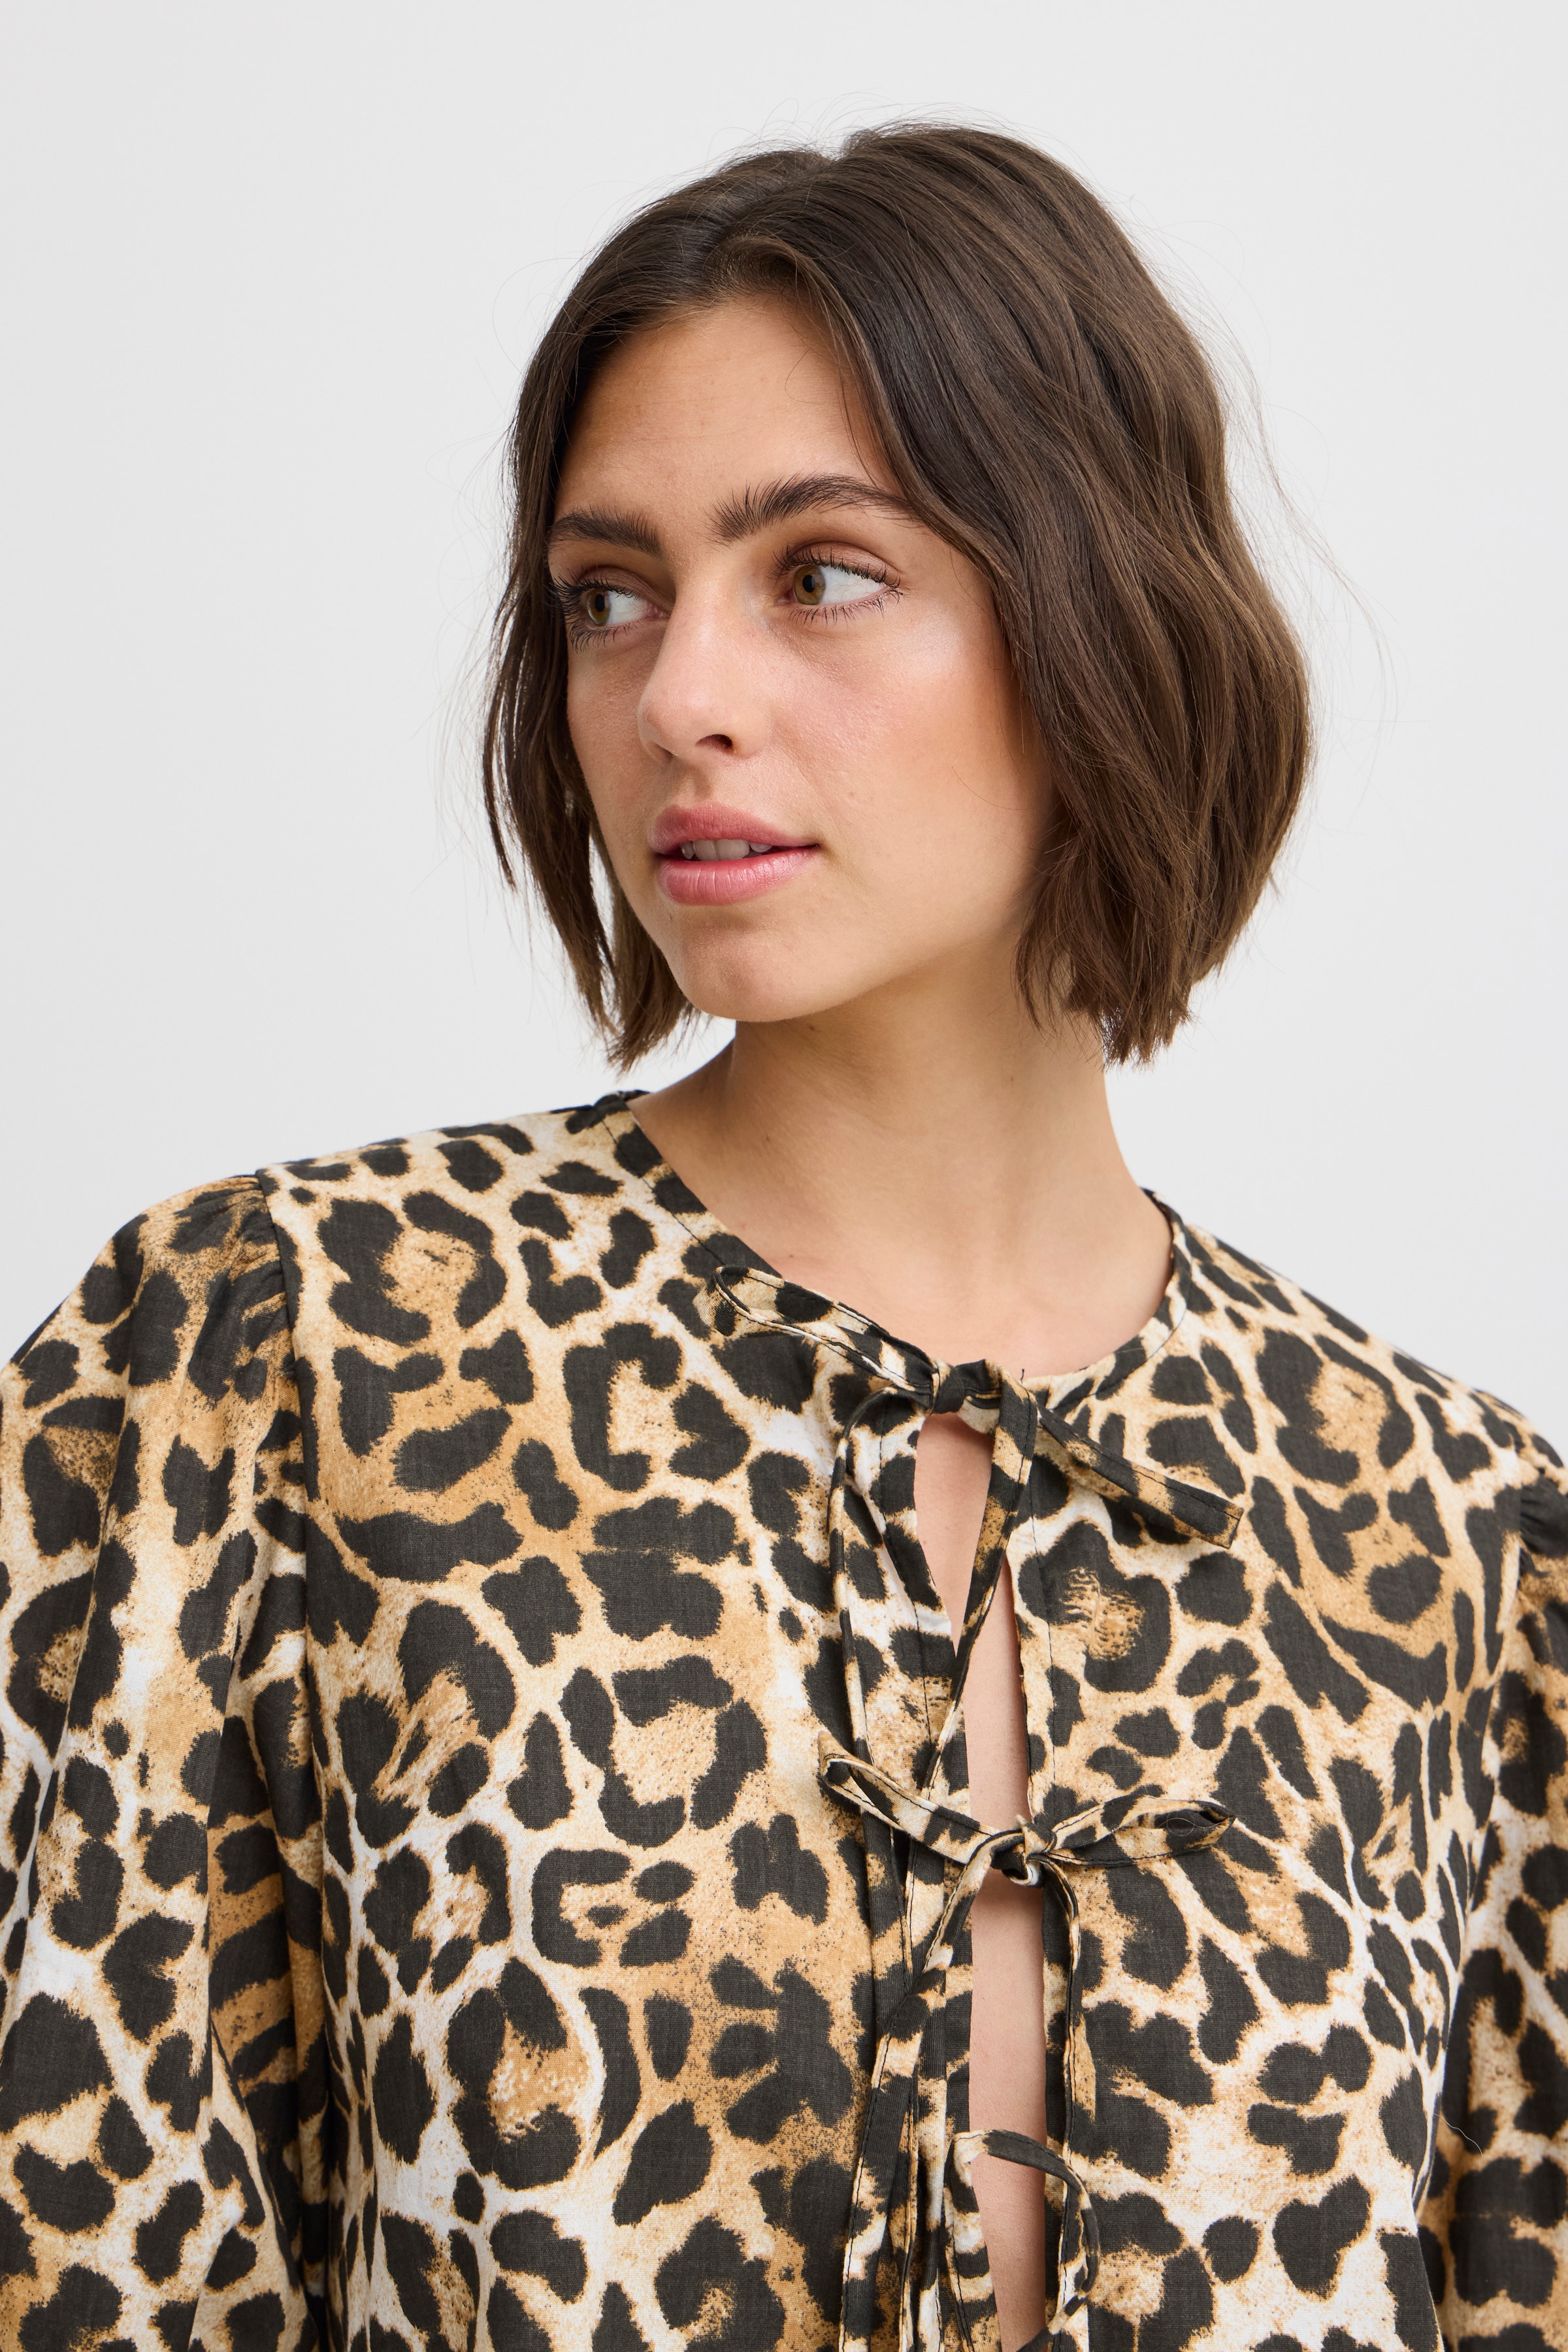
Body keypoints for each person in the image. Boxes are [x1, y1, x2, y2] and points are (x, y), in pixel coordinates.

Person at [0, 122, 1562, 2352]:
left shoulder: (1460, 1543)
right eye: (609, 595)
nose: (676, 699)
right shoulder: (276, 1358)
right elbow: (80, 2255)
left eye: (822, 574)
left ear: (1101, 613)